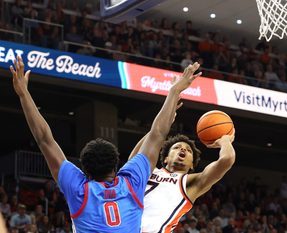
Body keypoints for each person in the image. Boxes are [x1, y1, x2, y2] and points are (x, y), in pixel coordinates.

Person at [9, 55, 202, 233]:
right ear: (116, 164)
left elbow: (44, 139)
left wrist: (24, 95)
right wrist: (174, 91)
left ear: (84, 170)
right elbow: (157, 134)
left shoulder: (79, 189)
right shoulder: (131, 182)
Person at [129, 119, 235, 232]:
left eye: (188, 150)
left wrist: (224, 140)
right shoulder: (150, 171)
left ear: (192, 165)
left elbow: (226, 160)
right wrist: (158, 127)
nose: (183, 149)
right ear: (166, 158)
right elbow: (133, 160)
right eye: (176, 147)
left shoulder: (190, 182)